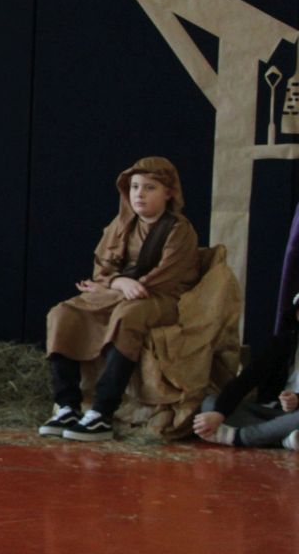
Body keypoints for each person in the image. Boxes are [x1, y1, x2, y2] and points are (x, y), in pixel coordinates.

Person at [40, 156, 199, 442]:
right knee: (62, 313)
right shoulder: (122, 223)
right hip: (117, 292)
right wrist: (117, 282)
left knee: (128, 316)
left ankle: (102, 412)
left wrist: (117, 286)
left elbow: (165, 277)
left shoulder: (179, 230)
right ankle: (67, 406)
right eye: (135, 187)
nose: (139, 194)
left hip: (160, 297)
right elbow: (102, 267)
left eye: (149, 187)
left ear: (169, 192)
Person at [192, 291, 299, 449]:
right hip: (271, 413)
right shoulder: (283, 344)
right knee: (210, 403)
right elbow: (246, 380)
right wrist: (219, 413)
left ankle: (242, 437)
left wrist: (297, 400)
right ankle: (283, 439)